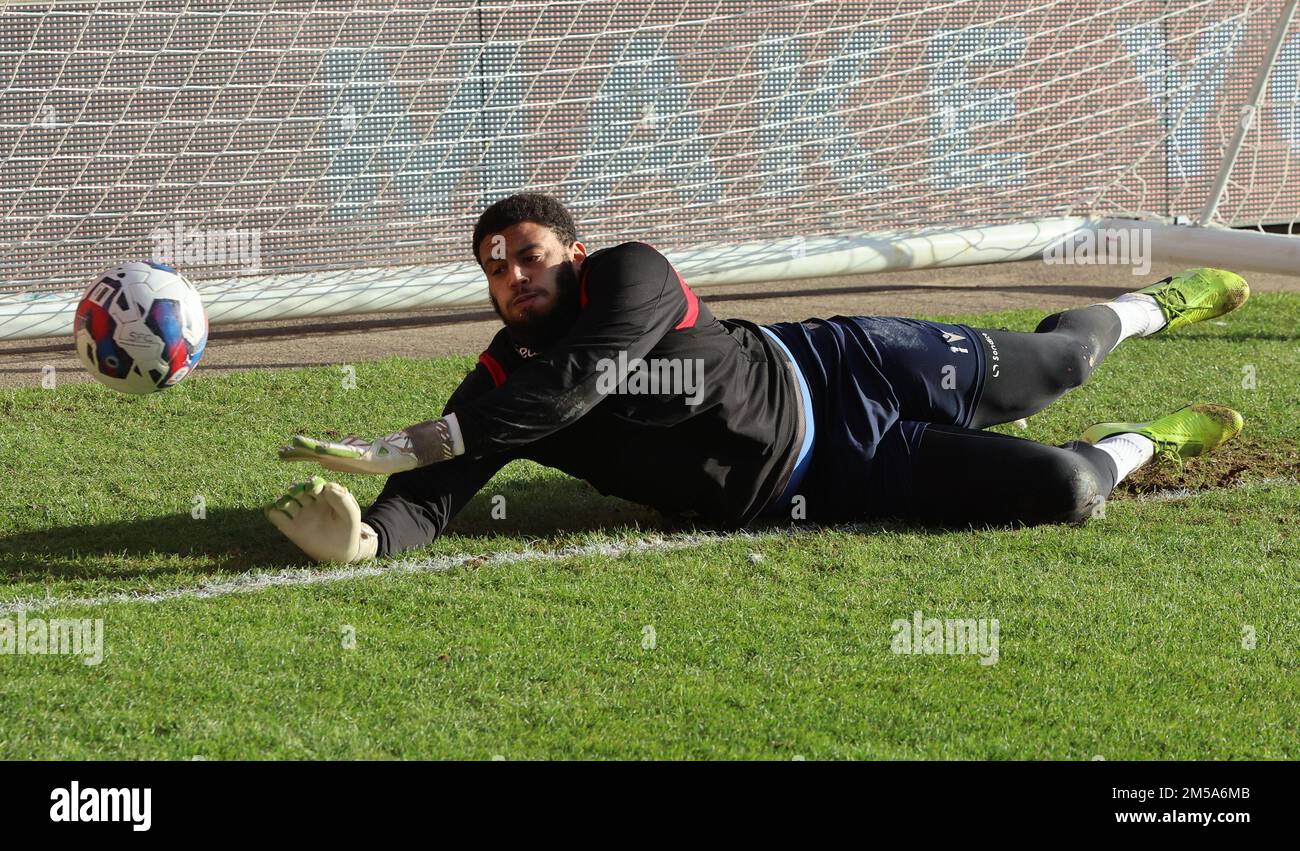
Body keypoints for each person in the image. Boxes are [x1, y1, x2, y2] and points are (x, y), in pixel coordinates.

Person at [267, 193, 1248, 563]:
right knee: (1065, 488)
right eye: (492, 264)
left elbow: (582, 379)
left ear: (574, 249)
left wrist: (428, 435)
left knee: (1061, 363)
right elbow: (426, 506)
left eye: (526, 253)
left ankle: (1152, 304)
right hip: (832, 479)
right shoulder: (493, 388)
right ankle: (1149, 440)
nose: (511, 275)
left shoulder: (631, 275)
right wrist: (358, 538)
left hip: (843, 362)